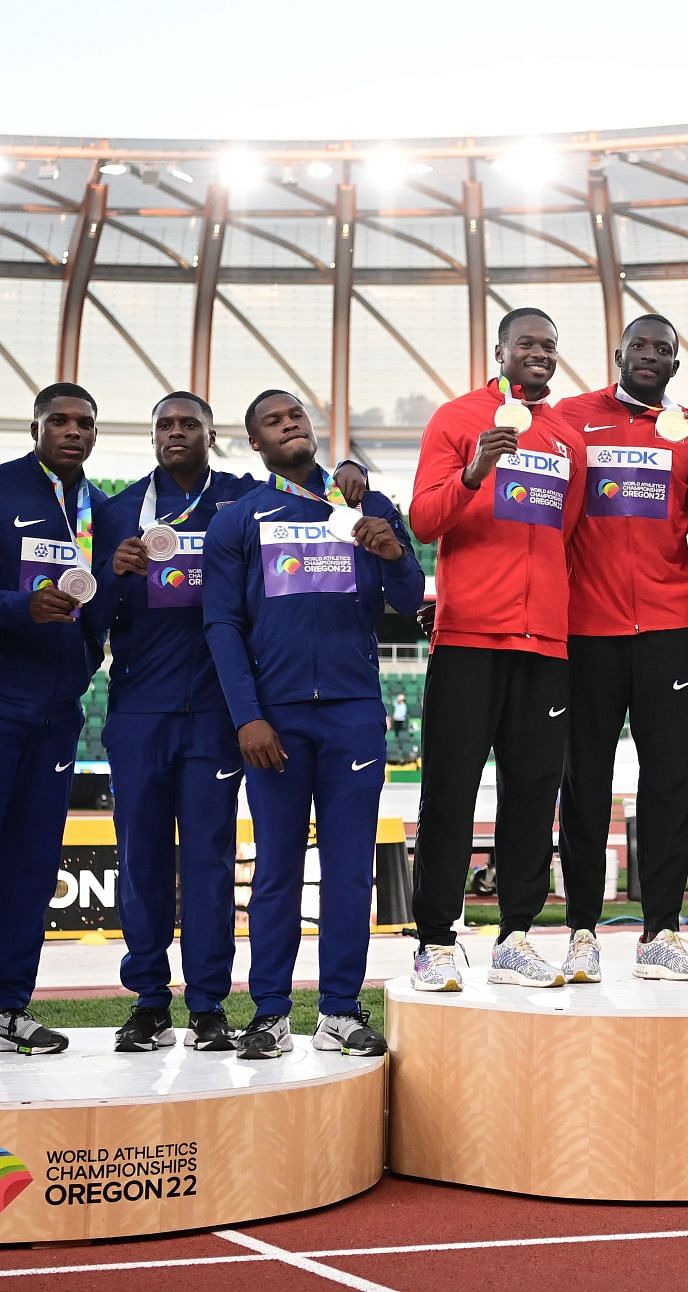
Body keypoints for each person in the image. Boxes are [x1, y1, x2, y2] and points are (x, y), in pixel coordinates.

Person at [91, 392, 368, 1054]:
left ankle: (208, 1004)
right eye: (165, 424)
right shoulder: (115, 510)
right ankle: (149, 1001)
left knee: (212, 861)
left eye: (190, 424)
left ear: (217, 435)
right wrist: (111, 573)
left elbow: (304, 478)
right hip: (140, 706)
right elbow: (90, 611)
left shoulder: (245, 499)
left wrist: (349, 470)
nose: (177, 433)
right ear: (151, 435)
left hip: (220, 711)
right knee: (142, 860)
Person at [203, 390, 422, 1058]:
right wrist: (248, 718)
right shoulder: (237, 519)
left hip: (354, 714)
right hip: (275, 722)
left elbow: (411, 601)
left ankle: (338, 1010)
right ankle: (269, 1013)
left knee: (352, 871)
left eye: (296, 414)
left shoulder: (366, 504)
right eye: (273, 419)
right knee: (276, 870)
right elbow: (221, 623)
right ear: (256, 444)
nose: (290, 423)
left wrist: (392, 553)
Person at [408, 308, 587, 991]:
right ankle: (435, 941)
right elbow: (426, 520)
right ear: (501, 351)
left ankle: (516, 935)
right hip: (468, 637)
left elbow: (564, 533)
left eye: (549, 345)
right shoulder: (457, 419)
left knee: (533, 790)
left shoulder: (567, 437)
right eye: (528, 344)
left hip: (544, 643)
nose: (539, 355)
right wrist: (475, 471)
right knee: (450, 791)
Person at [0, 383, 108, 1059]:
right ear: (35, 426)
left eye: (83, 423)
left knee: (33, 868)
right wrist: (17, 607)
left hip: (58, 712)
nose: (72, 431)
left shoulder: (103, 508)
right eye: (58, 420)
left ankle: (10, 1006)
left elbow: (106, 601)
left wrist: (84, 660)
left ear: (94, 433)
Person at [554, 314, 688, 982]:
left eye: (665, 350)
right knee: (585, 783)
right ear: (618, 353)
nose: (651, 356)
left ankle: (660, 931)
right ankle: (582, 932)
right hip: (587, 629)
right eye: (640, 346)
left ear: (676, 367)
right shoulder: (573, 417)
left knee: (670, 787)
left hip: (668, 630)